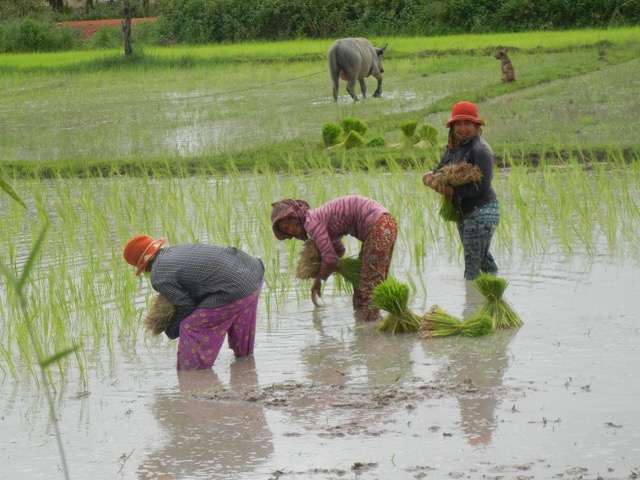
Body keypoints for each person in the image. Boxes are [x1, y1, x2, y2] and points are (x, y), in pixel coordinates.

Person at [123, 235, 264, 370]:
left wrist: (172, 331)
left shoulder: (158, 275)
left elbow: (185, 305)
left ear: (144, 266)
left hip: (234, 290)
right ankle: (246, 368)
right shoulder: (175, 250)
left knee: (190, 327)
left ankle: (192, 378)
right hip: (254, 274)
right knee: (242, 339)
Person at [270, 195, 397, 322]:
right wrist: (319, 278)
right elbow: (339, 250)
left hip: (379, 227)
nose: (290, 230)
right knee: (361, 288)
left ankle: (371, 331)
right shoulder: (318, 220)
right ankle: (363, 328)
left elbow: (330, 259)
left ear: (294, 217)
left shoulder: (311, 223)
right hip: (386, 225)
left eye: (289, 223)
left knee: (369, 288)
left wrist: (318, 279)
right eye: (286, 230)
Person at [422, 101, 499, 280]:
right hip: (464, 211)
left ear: (476, 125)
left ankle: (471, 304)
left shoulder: (481, 151)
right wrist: (433, 177)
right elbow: (442, 167)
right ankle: (494, 289)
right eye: (458, 124)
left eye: (467, 123)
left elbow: (483, 184)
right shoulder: (453, 147)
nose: (462, 128)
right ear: (452, 126)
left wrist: (453, 193)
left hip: (481, 211)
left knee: (472, 267)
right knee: (483, 260)